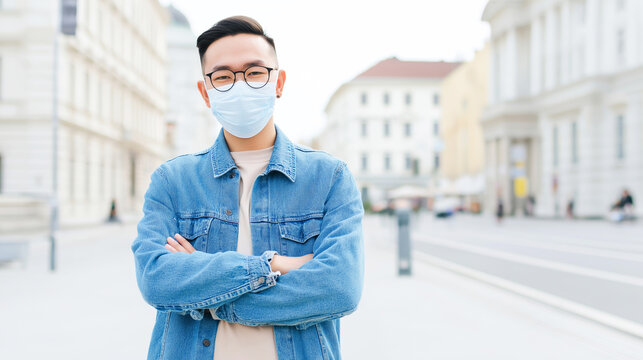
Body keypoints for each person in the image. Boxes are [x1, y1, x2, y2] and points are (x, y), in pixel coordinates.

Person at [130, 16, 364, 360]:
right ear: (205, 92)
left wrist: (214, 299)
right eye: (223, 76)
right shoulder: (172, 181)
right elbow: (157, 281)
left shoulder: (329, 178)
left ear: (278, 82)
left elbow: (338, 288)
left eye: (254, 73)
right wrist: (273, 265)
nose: (240, 85)